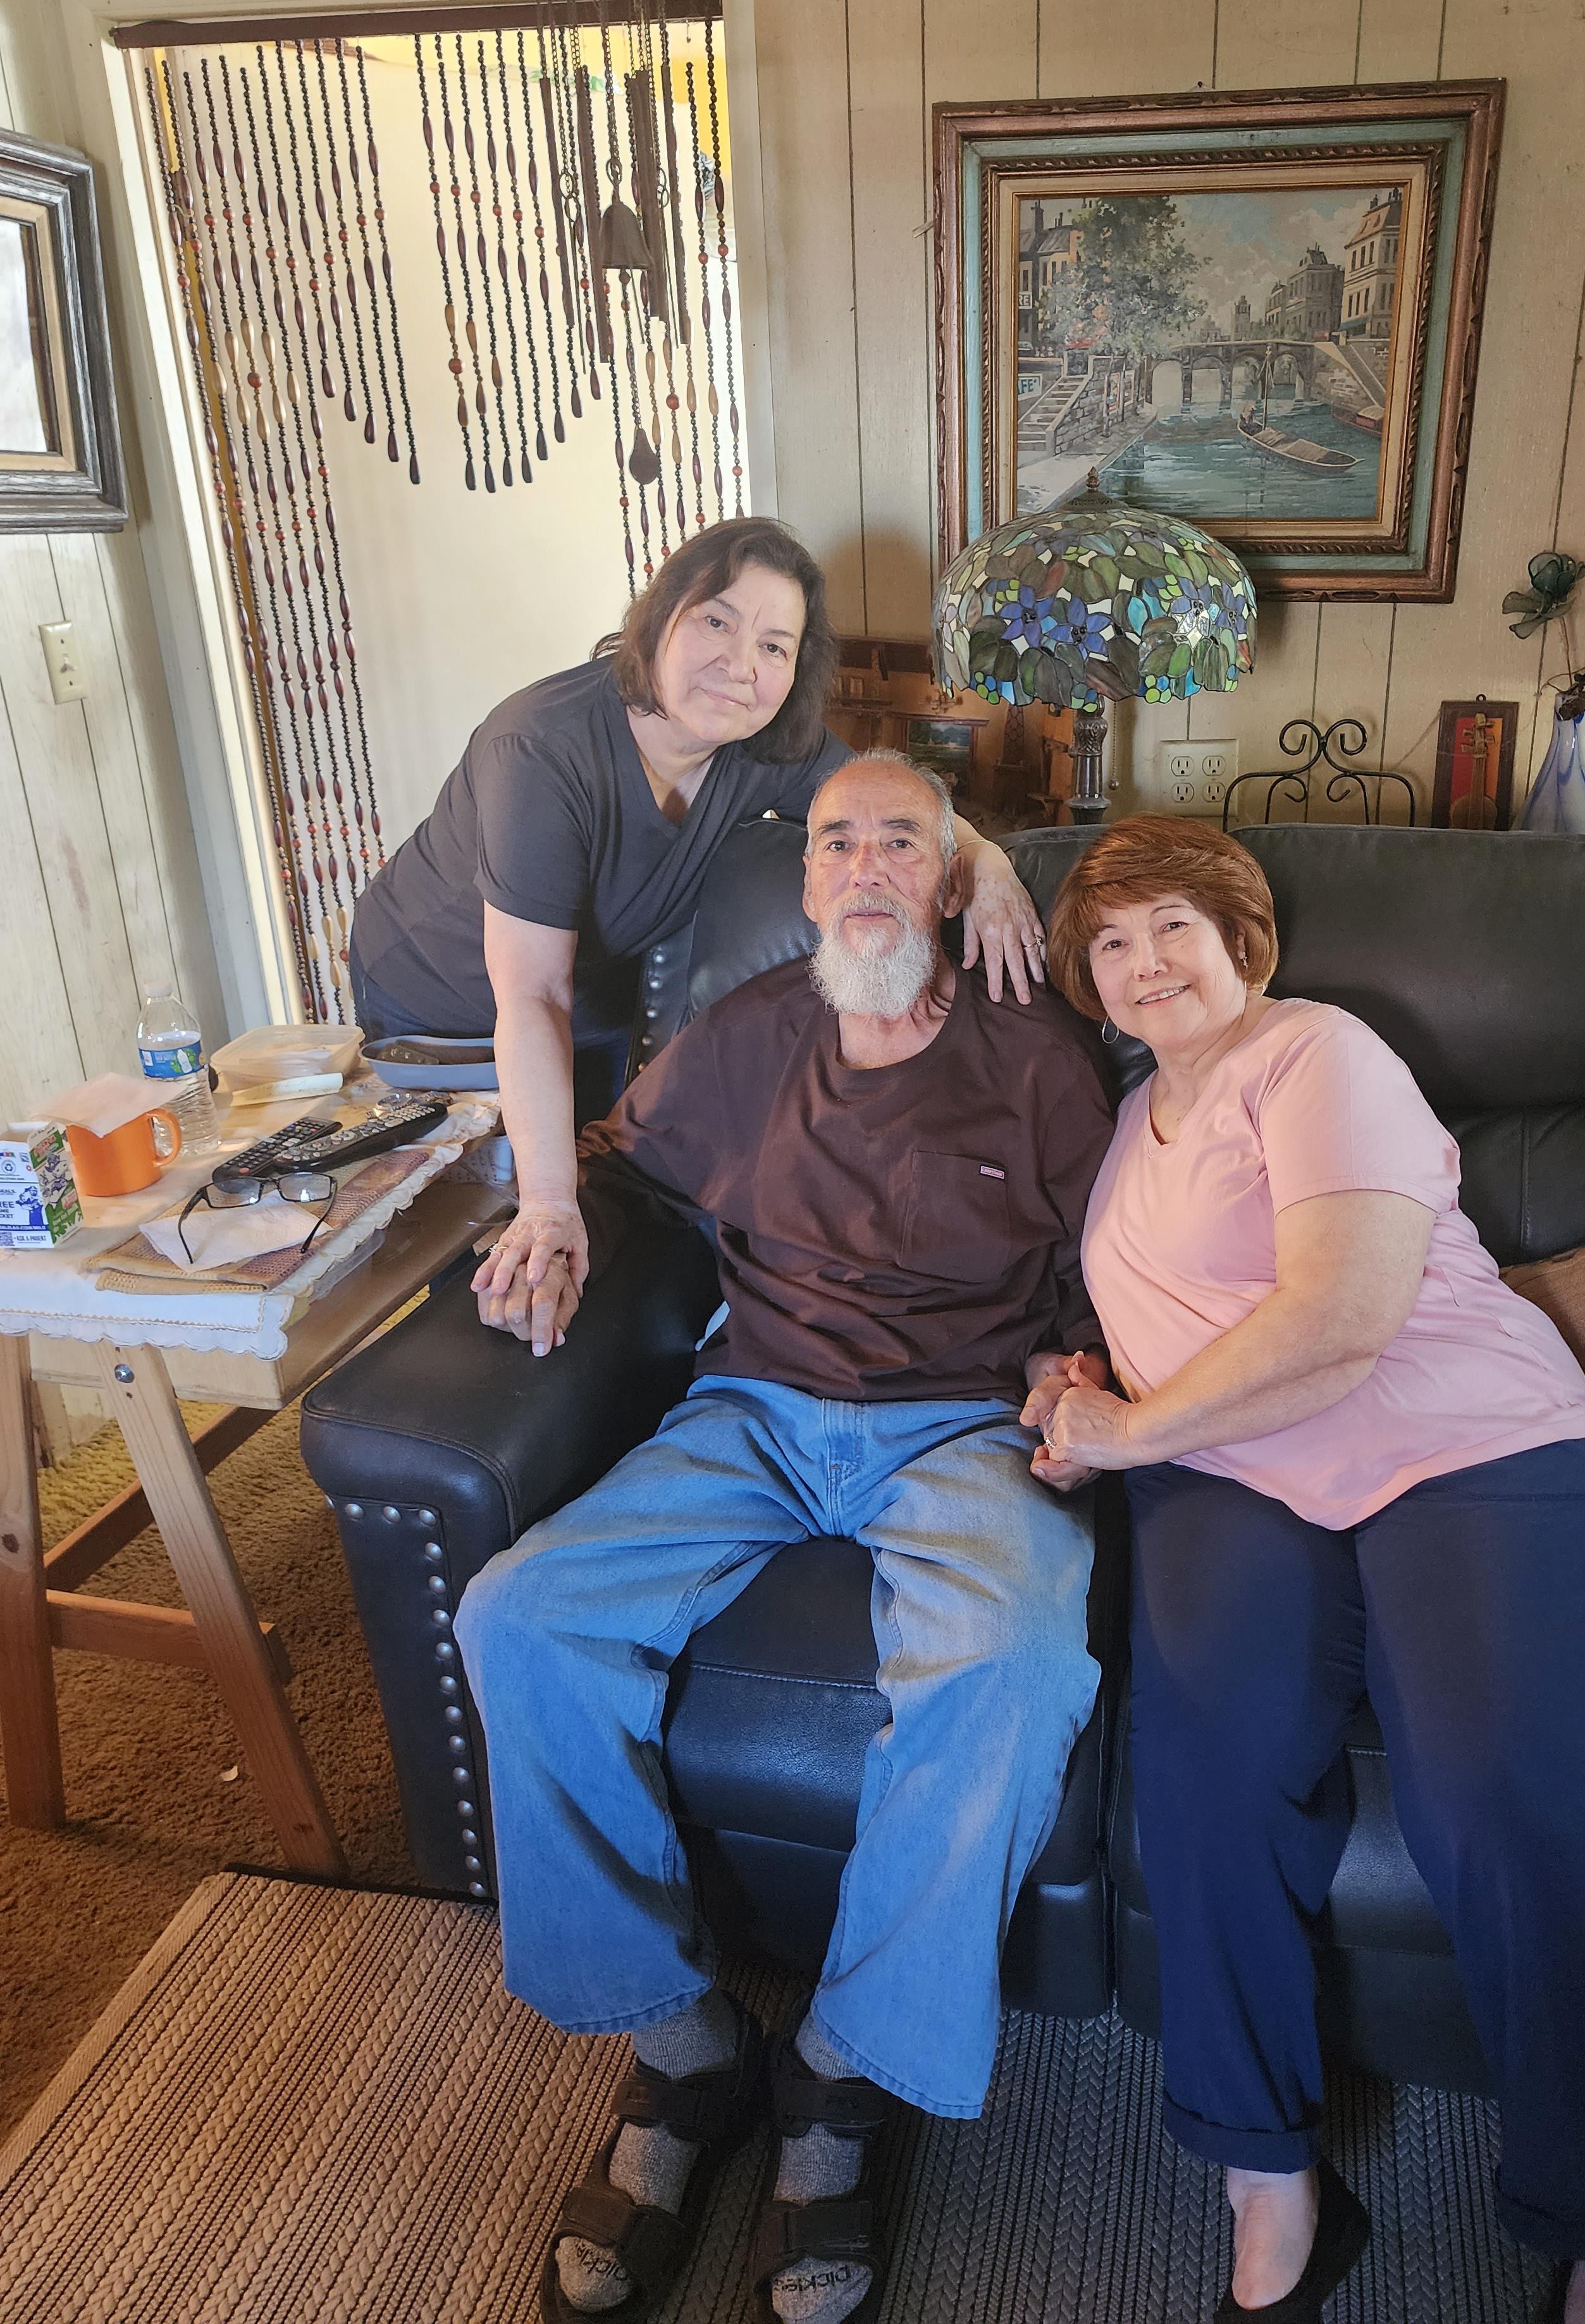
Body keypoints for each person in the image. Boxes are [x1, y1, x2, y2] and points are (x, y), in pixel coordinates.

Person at [453, 751, 1117, 2324]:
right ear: (807, 880)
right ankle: (684, 2039)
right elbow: (612, 1159)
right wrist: (542, 1218)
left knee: (1017, 1662)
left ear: (951, 878)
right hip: (750, 1409)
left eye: (902, 841)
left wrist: (1076, 1365)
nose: (866, 866)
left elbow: (1117, 1257)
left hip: (962, 1421)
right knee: (516, 1615)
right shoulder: (748, 1033)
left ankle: (843, 2067)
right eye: (838, 843)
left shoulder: (1039, 1057)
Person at [1033, 817, 1585, 2324]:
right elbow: (1157, 1320)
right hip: (1241, 1474)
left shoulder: (1317, 1052)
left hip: (1475, 1448)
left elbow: (1341, 1313)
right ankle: (1267, 2175)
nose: (1145, 962)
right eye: (1112, 941)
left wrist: (1127, 1433)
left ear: (1243, 938)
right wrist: (1075, 1389)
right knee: (1205, 1769)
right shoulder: (1127, 1121)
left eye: (1175, 925)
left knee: (1499, 1786)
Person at [347, 517, 1046, 1336]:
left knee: (584, 1209)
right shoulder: (540, 746)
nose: (741, 665)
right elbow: (531, 995)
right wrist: (546, 1202)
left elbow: (887, 803)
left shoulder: (763, 743)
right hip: (440, 1007)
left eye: (775, 646)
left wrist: (986, 861)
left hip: (582, 1006)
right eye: (718, 621)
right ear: (661, 616)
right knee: (483, 1227)